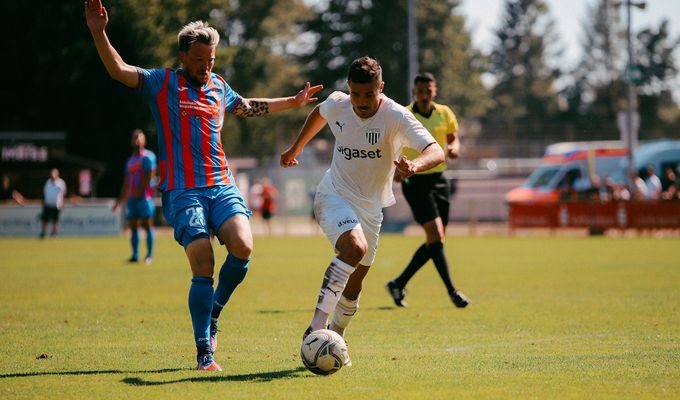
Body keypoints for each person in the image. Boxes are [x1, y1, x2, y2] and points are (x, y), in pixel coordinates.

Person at [85, 0, 322, 371]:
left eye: (210, 60)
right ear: (183, 56)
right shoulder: (161, 83)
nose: (206, 66)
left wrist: (292, 102)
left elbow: (247, 105)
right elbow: (118, 70)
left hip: (221, 185)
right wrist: (99, 31)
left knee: (243, 246)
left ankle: (214, 312)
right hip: (182, 190)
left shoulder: (218, 86)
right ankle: (204, 351)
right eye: (199, 60)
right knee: (202, 259)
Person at [280, 56, 444, 364]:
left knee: (354, 288)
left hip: (372, 208)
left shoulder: (396, 116)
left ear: (381, 88)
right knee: (354, 248)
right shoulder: (339, 104)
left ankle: (335, 336)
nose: (362, 101)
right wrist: (296, 147)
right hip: (333, 194)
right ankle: (316, 327)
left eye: (369, 94)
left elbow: (436, 150)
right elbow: (320, 112)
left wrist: (415, 165)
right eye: (356, 94)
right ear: (348, 88)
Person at [384, 72, 469, 308]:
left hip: (440, 179)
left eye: (428, 90)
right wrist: (397, 170)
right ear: (414, 92)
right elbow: (392, 145)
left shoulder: (445, 113)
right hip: (415, 181)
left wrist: (453, 147)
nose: (424, 94)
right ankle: (452, 291)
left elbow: (453, 138)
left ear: (435, 91)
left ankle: (398, 283)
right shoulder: (405, 115)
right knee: (437, 236)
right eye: (420, 91)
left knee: (436, 240)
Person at [112, 129, 157, 265]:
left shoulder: (148, 157)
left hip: (145, 197)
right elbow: (126, 181)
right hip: (132, 198)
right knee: (133, 226)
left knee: (147, 225)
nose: (137, 140)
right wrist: (120, 200)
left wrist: (140, 189)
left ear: (144, 140)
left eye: (139, 137)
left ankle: (149, 255)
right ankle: (135, 255)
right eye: (134, 138)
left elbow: (150, 174)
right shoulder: (130, 161)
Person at [40, 168, 67, 238]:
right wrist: (43, 203)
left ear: (57, 174)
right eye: (51, 174)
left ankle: (54, 233)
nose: (52, 176)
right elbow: (44, 193)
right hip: (47, 204)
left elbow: (63, 194)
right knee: (45, 219)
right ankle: (43, 233)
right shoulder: (47, 182)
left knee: (55, 220)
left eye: (54, 174)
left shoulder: (61, 182)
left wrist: (62, 203)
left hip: (56, 205)